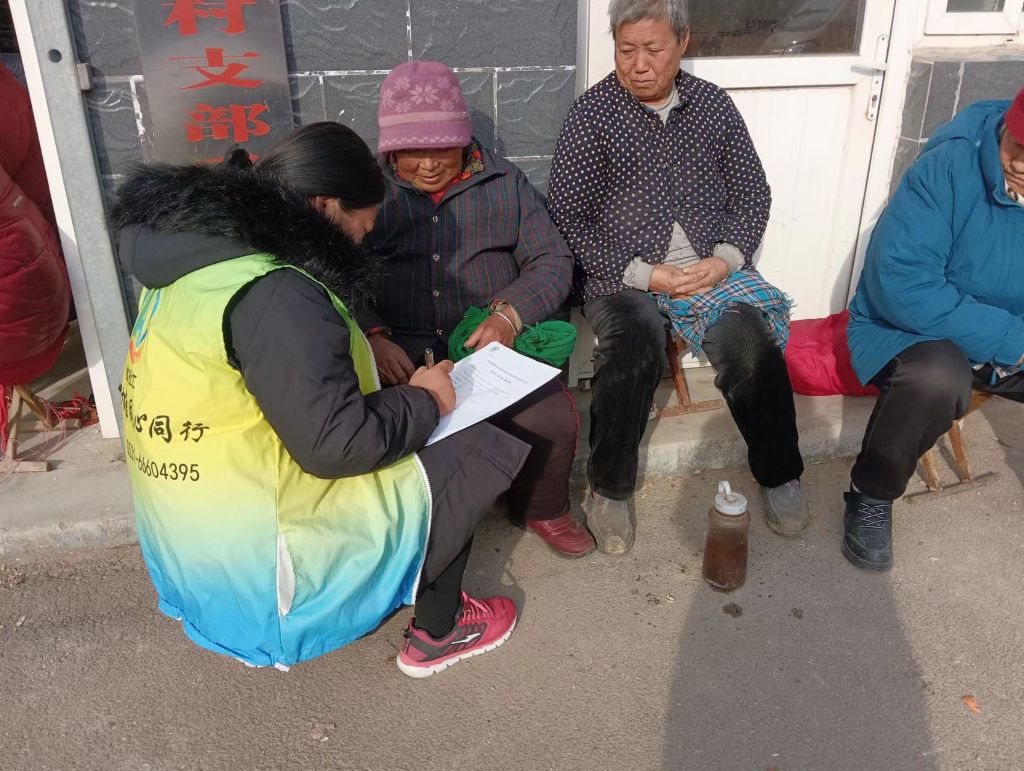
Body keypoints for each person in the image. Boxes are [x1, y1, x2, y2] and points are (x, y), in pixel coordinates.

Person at [112, 122, 533, 677]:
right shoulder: (277, 289)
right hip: (265, 578)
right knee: (468, 444)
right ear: (324, 205)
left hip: (190, 553)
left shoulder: (194, 263)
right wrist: (427, 400)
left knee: (406, 420)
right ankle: (441, 631)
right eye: (362, 228)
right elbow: (337, 444)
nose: (361, 242)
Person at [546, 0, 808, 554]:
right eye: (626, 50)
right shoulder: (592, 114)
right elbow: (568, 217)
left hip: (709, 270)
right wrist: (644, 274)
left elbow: (752, 193)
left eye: (653, 49)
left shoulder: (712, 105)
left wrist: (726, 259)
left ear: (683, 43)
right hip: (623, 273)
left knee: (750, 343)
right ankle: (608, 487)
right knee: (635, 341)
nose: (639, 64)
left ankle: (780, 472)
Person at [359, 60, 595, 558]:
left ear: (464, 141)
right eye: (413, 152)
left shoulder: (505, 183)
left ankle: (543, 507)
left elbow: (552, 259)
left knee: (553, 416)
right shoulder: (369, 194)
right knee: (383, 429)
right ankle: (405, 532)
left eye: (442, 148)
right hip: (402, 351)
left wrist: (509, 316)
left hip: (488, 345)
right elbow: (335, 272)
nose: (428, 165)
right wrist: (373, 336)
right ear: (391, 149)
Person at [844, 87, 1024, 572]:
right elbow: (904, 287)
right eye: (1016, 143)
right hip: (910, 329)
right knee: (935, 377)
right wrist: (1013, 339)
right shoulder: (948, 167)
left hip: (1008, 336)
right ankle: (871, 494)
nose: (1019, 164)